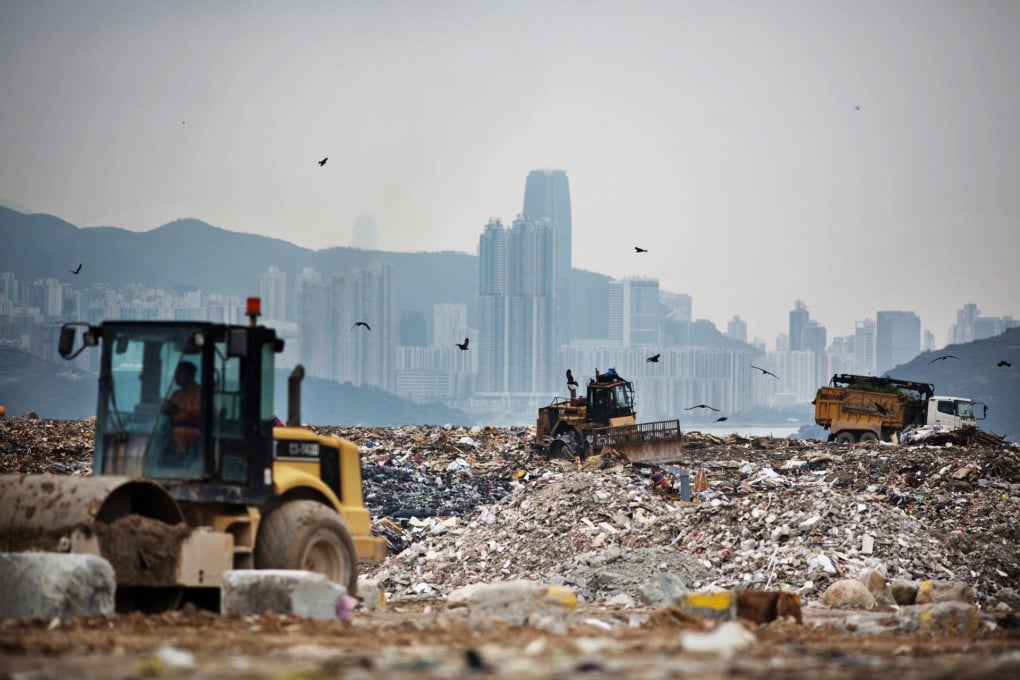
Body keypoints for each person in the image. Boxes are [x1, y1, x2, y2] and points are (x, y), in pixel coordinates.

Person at [163, 361, 201, 453]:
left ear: (188, 374)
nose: (175, 376)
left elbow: (198, 414)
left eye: (178, 373)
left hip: (195, 428)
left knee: (178, 433)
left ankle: (179, 459)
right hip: (173, 425)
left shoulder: (199, 393)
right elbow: (168, 408)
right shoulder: (176, 394)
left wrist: (180, 411)